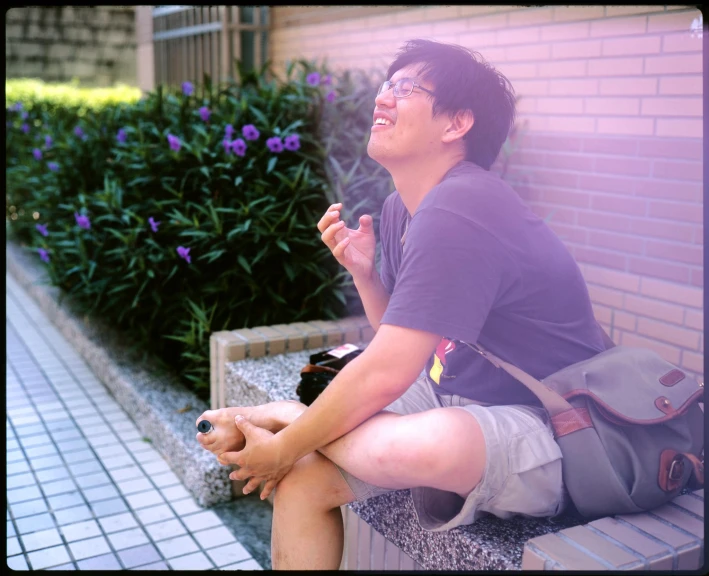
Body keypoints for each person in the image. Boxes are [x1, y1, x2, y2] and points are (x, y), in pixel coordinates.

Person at [196, 39, 607, 570]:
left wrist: (287, 437)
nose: (383, 100)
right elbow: (408, 343)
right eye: (386, 86)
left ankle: (285, 414)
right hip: (458, 392)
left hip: (557, 426)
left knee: (427, 442)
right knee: (306, 476)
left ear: (457, 123)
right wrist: (366, 276)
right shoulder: (401, 208)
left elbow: (389, 371)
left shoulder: (465, 203)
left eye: (406, 88)